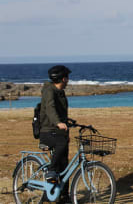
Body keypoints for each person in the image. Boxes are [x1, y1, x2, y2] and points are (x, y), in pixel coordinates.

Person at [39, 65, 71, 203]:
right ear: (63, 78)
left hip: (59, 131)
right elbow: (50, 109)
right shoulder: (49, 91)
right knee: (61, 148)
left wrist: (67, 122)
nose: (68, 80)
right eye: (67, 78)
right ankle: (51, 171)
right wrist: (58, 123)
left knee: (64, 165)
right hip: (47, 131)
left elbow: (60, 112)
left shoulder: (60, 92)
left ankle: (64, 196)